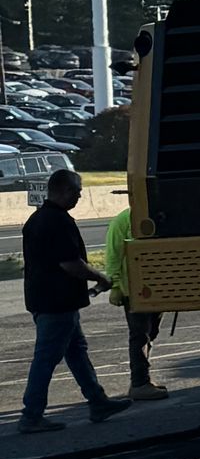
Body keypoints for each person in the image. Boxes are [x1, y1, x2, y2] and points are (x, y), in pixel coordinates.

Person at [18, 169, 128, 434]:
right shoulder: (57, 222)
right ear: (64, 191)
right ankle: (31, 415)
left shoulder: (37, 219)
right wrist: (101, 277)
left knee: (76, 351)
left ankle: (97, 401)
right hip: (58, 302)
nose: (80, 196)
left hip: (45, 298)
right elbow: (70, 263)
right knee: (46, 358)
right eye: (77, 191)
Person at [104, 202, 167, 401]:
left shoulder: (161, 216)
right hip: (133, 289)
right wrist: (114, 285)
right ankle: (139, 382)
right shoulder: (123, 220)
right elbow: (113, 253)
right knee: (140, 335)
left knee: (151, 333)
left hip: (156, 288)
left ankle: (143, 378)